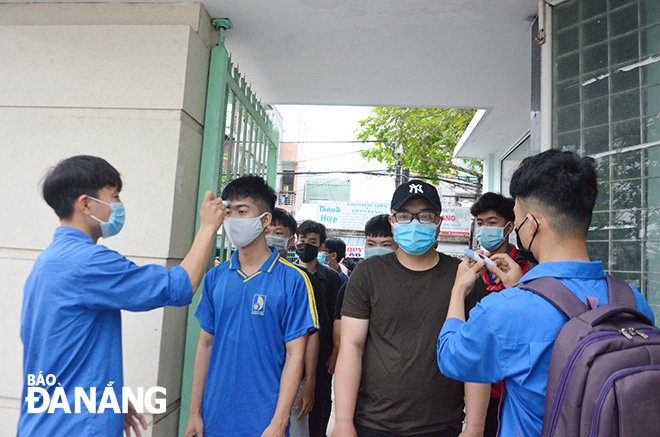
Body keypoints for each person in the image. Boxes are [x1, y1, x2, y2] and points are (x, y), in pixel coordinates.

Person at [436, 150, 656, 437]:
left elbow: (451, 357)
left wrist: (458, 290)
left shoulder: (505, 309)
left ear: (531, 223)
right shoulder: (632, 300)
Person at [19, 155, 226, 436]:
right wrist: (207, 227)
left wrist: (109, 395)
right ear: (85, 204)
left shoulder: (49, 262)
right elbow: (180, 285)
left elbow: (62, 347)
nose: (117, 207)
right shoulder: (88, 262)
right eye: (113, 197)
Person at [333, 180, 489, 437]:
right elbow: (352, 346)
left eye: (425, 215)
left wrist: (474, 426)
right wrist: (342, 421)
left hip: (442, 425)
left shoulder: (463, 276)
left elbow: (475, 353)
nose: (414, 223)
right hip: (373, 423)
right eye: (404, 216)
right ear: (393, 222)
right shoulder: (368, 273)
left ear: (438, 222)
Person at [185, 176, 319, 437]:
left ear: (265, 220)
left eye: (242, 211)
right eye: (228, 211)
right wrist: (194, 413)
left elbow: (295, 355)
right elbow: (205, 345)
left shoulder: (293, 280)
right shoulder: (215, 277)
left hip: (265, 422)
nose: (233, 219)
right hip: (213, 419)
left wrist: (279, 423)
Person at [266, 208, 332, 437]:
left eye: (278, 232)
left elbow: (313, 334)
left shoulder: (303, 279)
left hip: (295, 378)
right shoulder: (231, 275)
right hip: (258, 378)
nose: (271, 236)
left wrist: (310, 382)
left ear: (290, 240)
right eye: (267, 230)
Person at [469, 192, 530, 437]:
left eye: (492, 222)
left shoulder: (529, 267)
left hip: (520, 385)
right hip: (482, 385)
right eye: (480, 223)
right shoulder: (471, 269)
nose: (484, 229)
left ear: (509, 227)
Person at [328, 214, 398, 375]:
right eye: (371, 244)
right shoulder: (351, 287)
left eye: (386, 244)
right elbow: (341, 330)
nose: (377, 249)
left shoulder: (406, 285)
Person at [296, 220, 343, 437]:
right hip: (290, 355)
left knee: (320, 404)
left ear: (321, 246)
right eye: (302, 240)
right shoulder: (289, 274)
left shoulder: (332, 278)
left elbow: (336, 317)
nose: (305, 245)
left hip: (322, 355)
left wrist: (335, 352)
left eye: (312, 242)